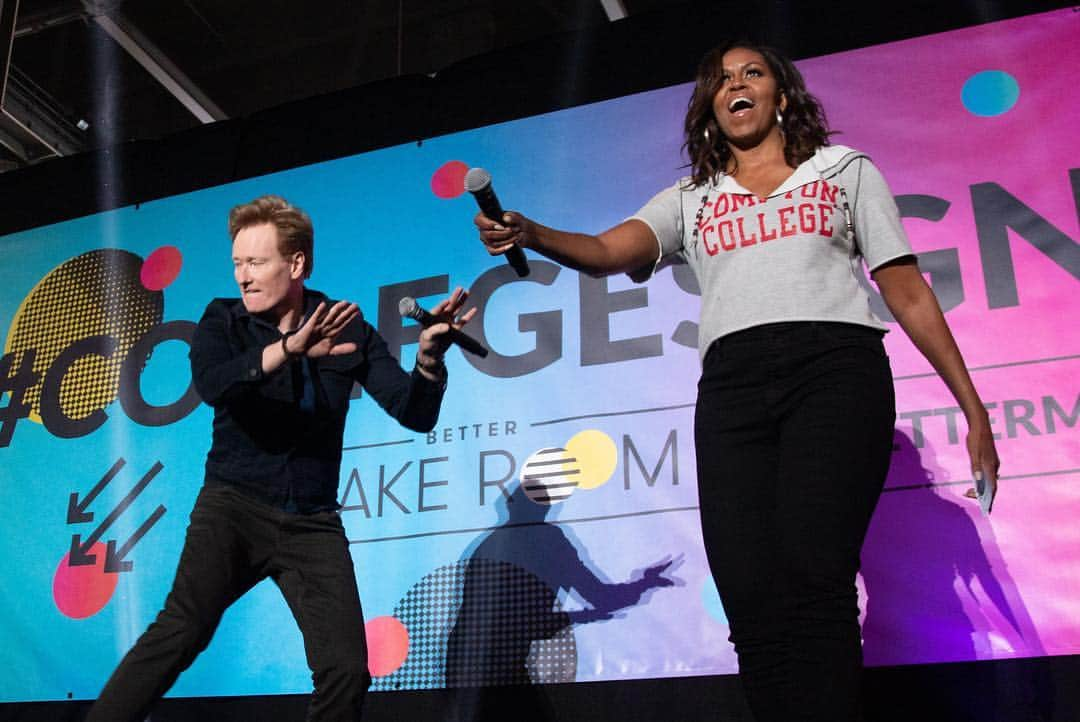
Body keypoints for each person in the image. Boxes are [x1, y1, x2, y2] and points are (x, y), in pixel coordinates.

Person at [474, 41, 999, 722]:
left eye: (753, 73)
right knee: (749, 591)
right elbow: (606, 252)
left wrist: (974, 407)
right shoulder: (691, 199)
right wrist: (531, 231)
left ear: (782, 95)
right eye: (722, 80)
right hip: (733, 391)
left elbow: (907, 293)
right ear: (710, 111)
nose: (736, 85)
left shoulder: (843, 171)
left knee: (814, 574)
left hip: (833, 371)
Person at [86, 195, 474, 722]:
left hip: (312, 522)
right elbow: (215, 385)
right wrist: (289, 349)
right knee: (183, 630)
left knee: (346, 669)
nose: (243, 277)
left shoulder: (346, 328)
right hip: (233, 508)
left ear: (295, 264)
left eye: (257, 262)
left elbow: (414, 412)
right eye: (238, 264)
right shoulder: (222, 320)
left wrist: (429, 358)